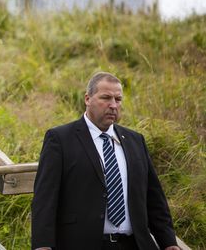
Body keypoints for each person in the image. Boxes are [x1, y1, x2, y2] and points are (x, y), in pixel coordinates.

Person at [31, 72, 180, 250]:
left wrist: (169, 242)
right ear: (87, 98)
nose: (113, 105)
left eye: (118, 99)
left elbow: (154, 197)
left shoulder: (135, 140)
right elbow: (45, 197)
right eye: (106, 98)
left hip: (134, 244)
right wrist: (42, 245)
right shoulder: (61, 139)